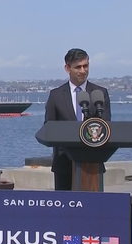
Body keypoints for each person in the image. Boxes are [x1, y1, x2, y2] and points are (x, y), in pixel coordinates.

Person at [44, 48, 111, 191]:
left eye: (85, 66)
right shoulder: (56, 96)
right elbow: (48, 128)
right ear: (67, 68)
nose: (83, 70)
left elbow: (106, 126)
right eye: (78, 67)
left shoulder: (100, 94)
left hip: (93, 165)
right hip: (64, 165)